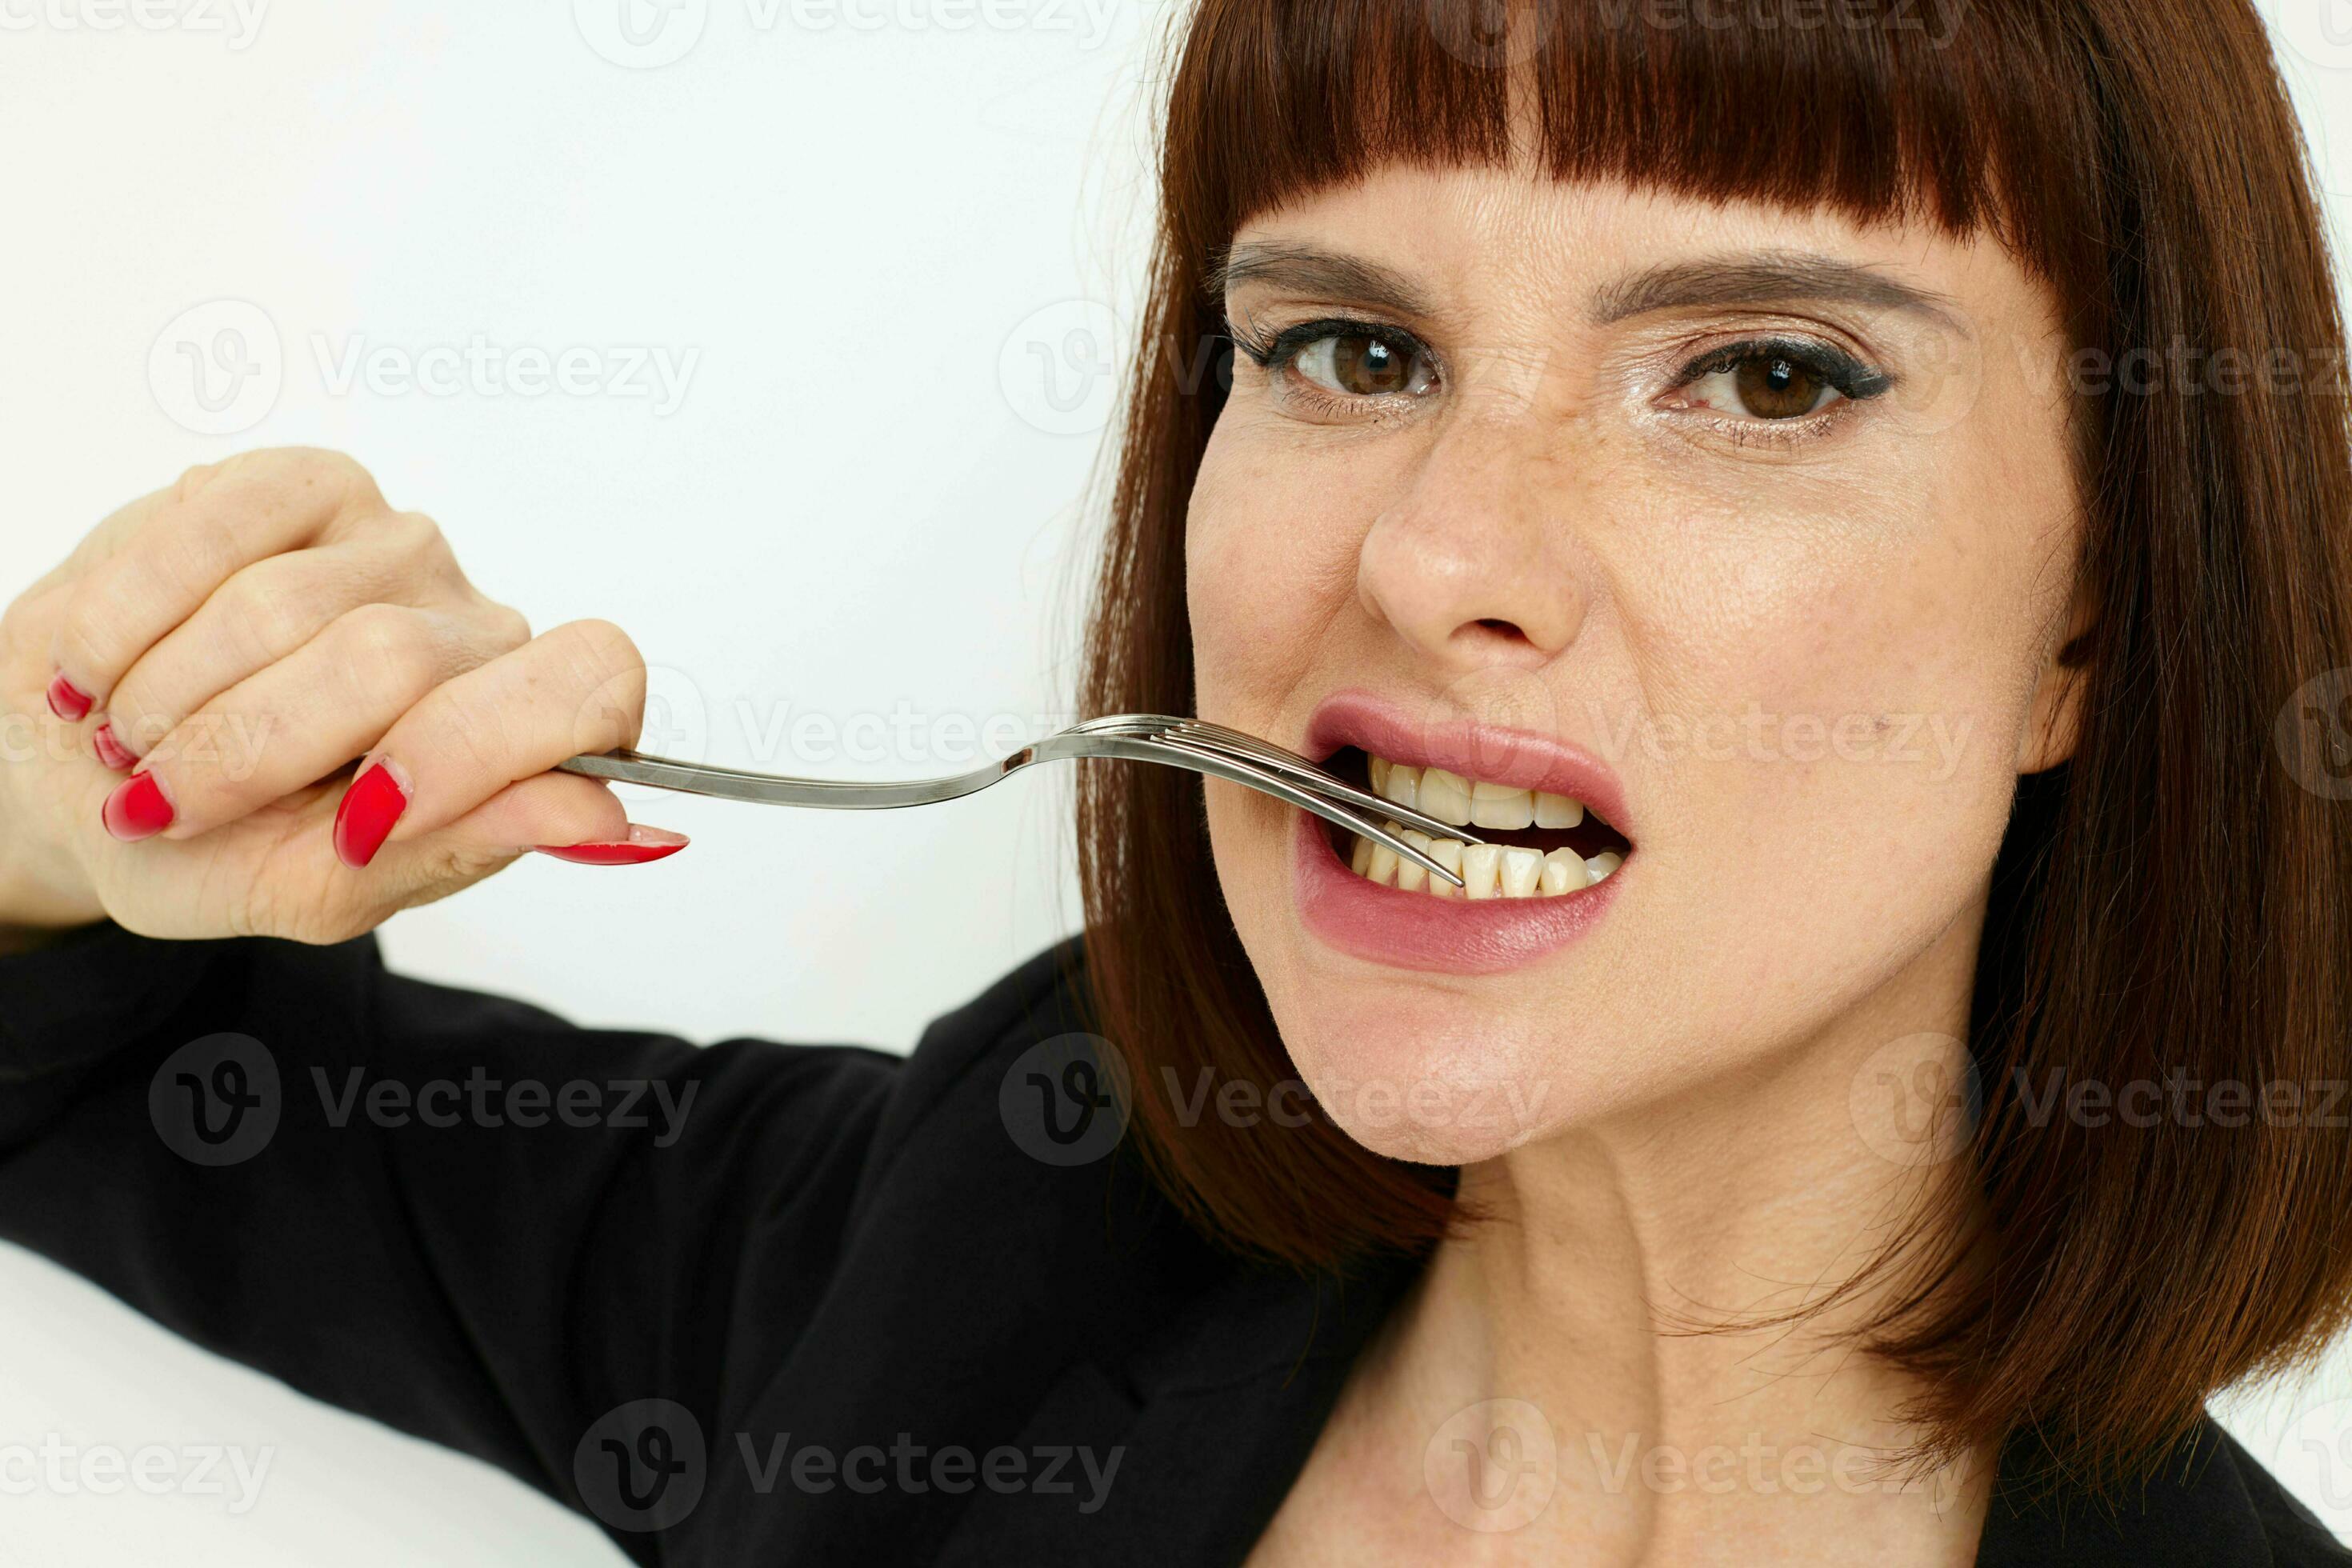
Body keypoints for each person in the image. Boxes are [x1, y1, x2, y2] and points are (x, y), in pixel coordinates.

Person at [5, 0, 2352, 1561]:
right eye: (1348, 344)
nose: (1437, 557)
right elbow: (105, 1082)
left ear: (2097, 613)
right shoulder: (978, 1247)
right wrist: (53, 809)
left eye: (1758, 378)